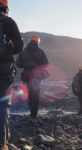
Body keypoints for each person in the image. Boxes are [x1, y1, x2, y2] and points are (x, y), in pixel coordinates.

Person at [0, 0, 23, 149]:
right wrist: (6, 51)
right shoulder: (9, 22)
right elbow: (19, 46)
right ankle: (2, 143)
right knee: (2, 104)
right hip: (4, 69)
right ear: (6, 8)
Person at [16, 35, 49, 118]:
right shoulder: (41, 51)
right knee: (36, 94)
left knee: (30, 93)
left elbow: (18, 64)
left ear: (30, 41)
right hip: (37, 75)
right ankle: (34, 113)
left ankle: (31, 112)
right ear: (38, 41)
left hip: (27, 75)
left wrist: (26, 65)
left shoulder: (24, 51)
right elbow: (46, 64)